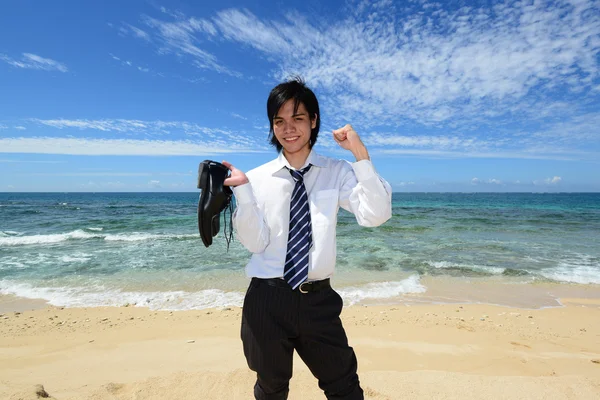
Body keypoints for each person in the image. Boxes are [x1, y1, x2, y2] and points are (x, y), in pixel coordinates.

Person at [222, 77, 392, 400]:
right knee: (271, 390)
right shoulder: (256, 179)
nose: (289, 129)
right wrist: (243, 193)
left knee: (345, 389)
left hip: (318, 300)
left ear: (313, 121)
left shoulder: (337, 171)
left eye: (298, 118)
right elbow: (255, 243)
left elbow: (376, 214)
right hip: (266, 300)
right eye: (279, 121)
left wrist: (360, 154)